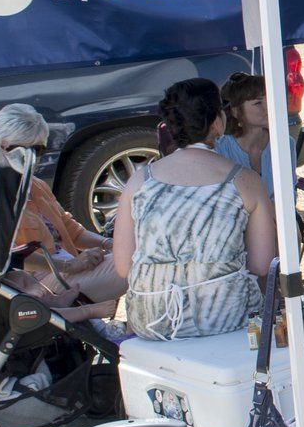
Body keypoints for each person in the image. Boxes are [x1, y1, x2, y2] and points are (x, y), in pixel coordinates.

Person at [79, 78, 276, 339]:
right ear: (218, 121)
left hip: (152, 320)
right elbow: (263, 265)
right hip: (225, 316)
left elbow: (124, 267)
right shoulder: (245, 182)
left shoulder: (139, 181)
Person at [0, 104, 119, 301]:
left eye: (37, 149)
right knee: (138, 265)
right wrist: (68, 266)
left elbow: (72, 231)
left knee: (134, 256)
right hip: (38, 284)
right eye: (19, 149)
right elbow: (8, 258)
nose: (29, 157)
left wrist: (110, 244)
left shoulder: (36, 185)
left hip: (66, 269)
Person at [213, 70, 299, 199]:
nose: (268, 107)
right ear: (236, 111)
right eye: (258, 103)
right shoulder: (220, 148)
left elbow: (289, 193)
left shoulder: (285, 143)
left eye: (269, 99)